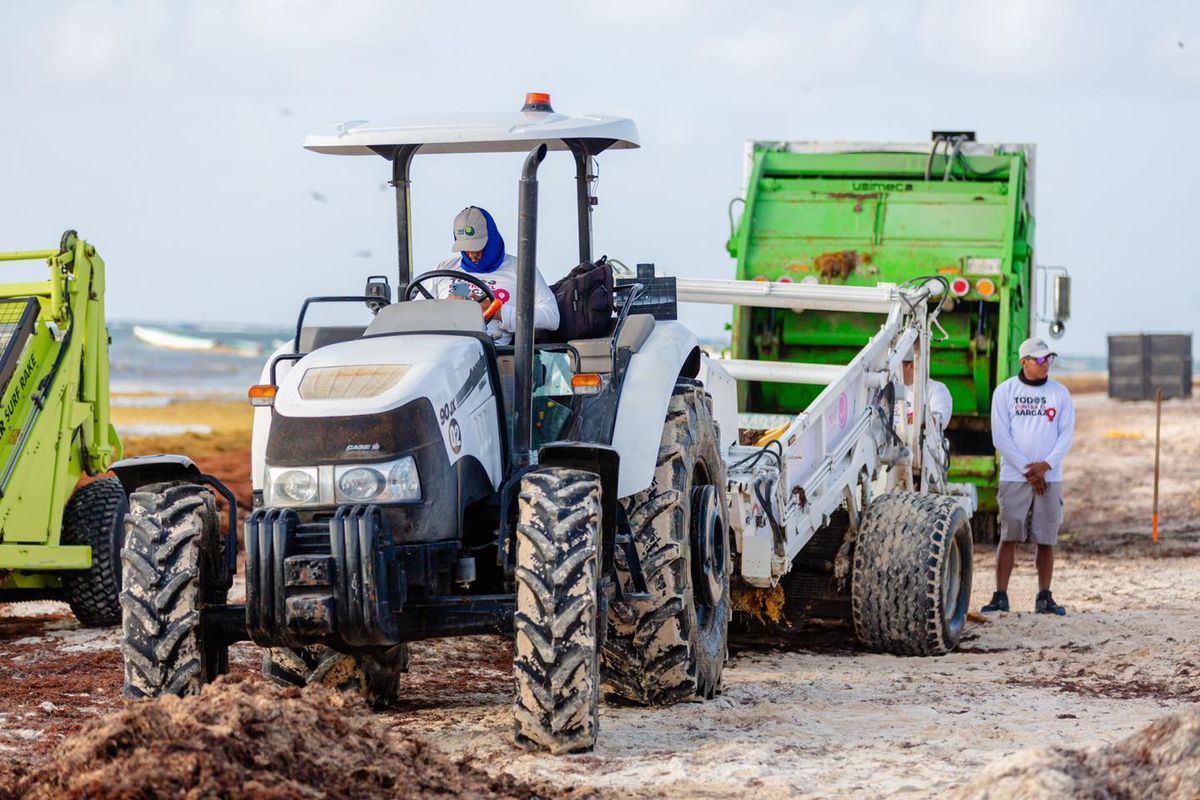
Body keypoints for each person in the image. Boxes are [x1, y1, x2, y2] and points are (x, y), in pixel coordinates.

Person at [981, 337, 1075, 616]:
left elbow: (1066, 435)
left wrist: (1045, 466)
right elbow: (1001, 437)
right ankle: (1000, 596)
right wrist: (1027, 470)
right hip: (1014, 476)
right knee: (1008, 535)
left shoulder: (1061, 393)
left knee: (1046, 537)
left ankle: (1044, 597)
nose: (1046, 364)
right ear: (1025, 362)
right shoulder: (1005, 391)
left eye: (1049, 359)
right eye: (1041, 359)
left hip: (1050, 477)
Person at [426, 206, 560, 346]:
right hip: (443, 345)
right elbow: (414, 317)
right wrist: (442, 308)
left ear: (491, 240)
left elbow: (551, 317)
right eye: (466, 249)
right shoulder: (443, 269)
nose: (472, 255)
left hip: (492, 353)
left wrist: (497, 312)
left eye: (479, 247)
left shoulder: (521, 270)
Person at [901, 352, 953, 430]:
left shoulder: (937, 389)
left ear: (911, 366)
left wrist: (922, 420)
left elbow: (940, 420)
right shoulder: (888, 389)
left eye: (896, 368)